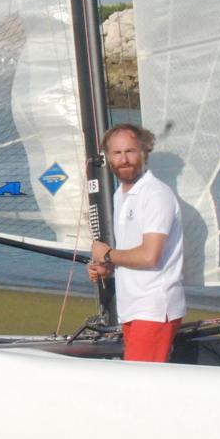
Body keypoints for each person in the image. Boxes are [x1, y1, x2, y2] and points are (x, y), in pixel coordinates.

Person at [88, 123, 186, 362]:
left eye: (130, 151)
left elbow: (149, 256)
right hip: (133, 307)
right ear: (108, 157)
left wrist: (108, 254)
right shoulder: (121, 194)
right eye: (117, 153)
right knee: (140, 382)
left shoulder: (155, 194)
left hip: (153, 308)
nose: (124, 159)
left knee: (142, 386)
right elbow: (133, 252)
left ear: (145, 152)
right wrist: (108, 267)